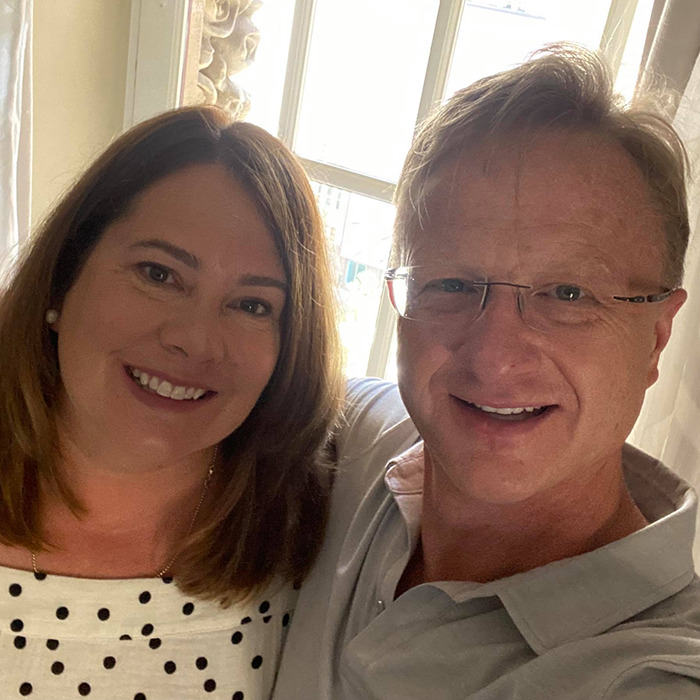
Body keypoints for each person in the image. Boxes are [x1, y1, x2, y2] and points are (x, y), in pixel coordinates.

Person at [273, 45, 700, 699]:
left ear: (657, 338)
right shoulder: (354, 438)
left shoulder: (654, 675)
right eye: (450, 283)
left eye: (568, 293)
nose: (495, 354)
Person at [0, 105, 342, 699]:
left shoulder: (311, 528)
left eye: (253, 305)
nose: (195, 339)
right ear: (62, 278)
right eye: (158, 274)